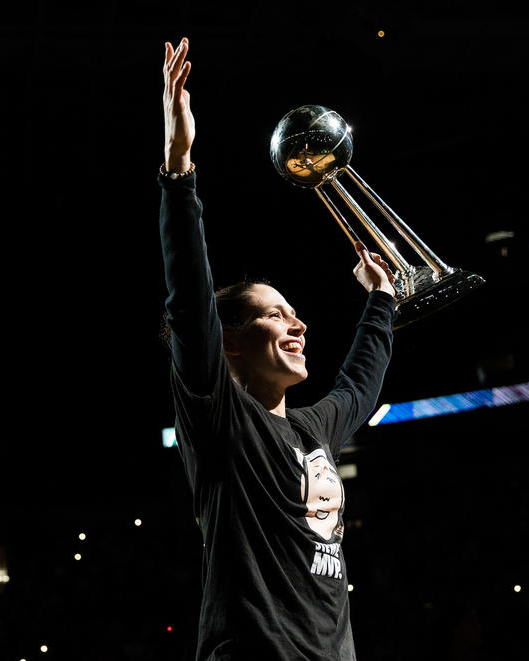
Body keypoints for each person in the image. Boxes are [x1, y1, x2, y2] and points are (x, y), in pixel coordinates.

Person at [158, 37, 397, 660]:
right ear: (231, 344)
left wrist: (381, 299)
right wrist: (179, 170)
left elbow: (360, 384)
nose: (298, 326)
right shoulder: (220, 421)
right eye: (275, 315)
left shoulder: (314, 430)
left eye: (296, 315)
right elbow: (189, 302)